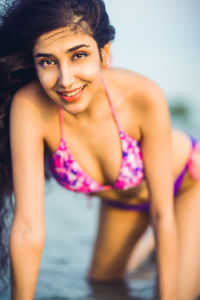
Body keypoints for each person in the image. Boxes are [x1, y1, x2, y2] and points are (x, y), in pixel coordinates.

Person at [0, 0, 200, 299]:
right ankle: (148, 255)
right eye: (47, 61)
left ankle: (157, 250)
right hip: (123, 199)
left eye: (78, 55)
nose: (65, 80)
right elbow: (28, 228)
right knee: (103, 288)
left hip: (185, 185)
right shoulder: (29, 107)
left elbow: (162, 213)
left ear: (104, 53)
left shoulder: (142, 95)